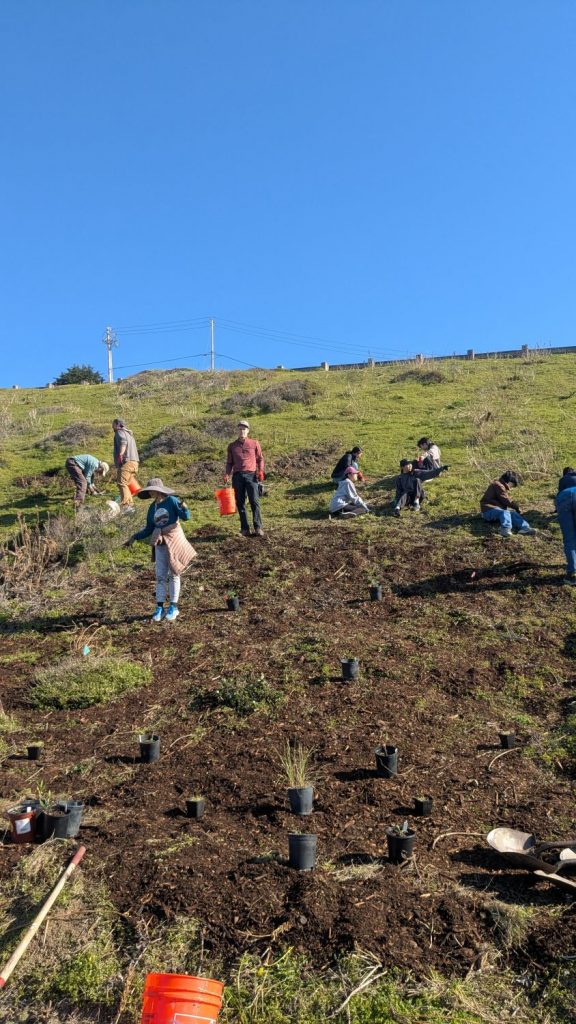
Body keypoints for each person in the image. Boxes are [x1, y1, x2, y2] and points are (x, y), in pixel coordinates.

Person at [126, 478, 196, 622]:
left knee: (174, 572)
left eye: (152, 490)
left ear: (159, 490)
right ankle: (159, 607)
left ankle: (173, 606)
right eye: (149, 491)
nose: (151, 493)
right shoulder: (153, 508)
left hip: (174, 539)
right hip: (160, 542)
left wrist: (185, 508)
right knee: (160, 575)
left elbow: (185, 517)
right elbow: (149, 528)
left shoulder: (172, 501)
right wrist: (135, 537)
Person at [224, 419, 265, 537]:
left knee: (254, 501)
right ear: (237, 430)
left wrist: (261, 471)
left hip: (251, 476)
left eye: (244, 429)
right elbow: (229, 462)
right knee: (240, 503)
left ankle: (258, 527)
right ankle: (244, 529)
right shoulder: (232, 446)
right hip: (237, 477)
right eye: (240, 429)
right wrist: (227, 474)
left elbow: (260, 458)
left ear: (248, 430)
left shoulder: (254, 443)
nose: (242, 431)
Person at [480, 471, 537, 538]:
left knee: (512, 513)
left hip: (496, 510)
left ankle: (525, 528)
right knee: (505, 512)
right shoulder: (497, 485)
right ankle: (505, 529)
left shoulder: (501, 486)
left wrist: (515, 508)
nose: (511, 487)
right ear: (509, 481)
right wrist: (515, 506)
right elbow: (505, 499)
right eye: (513, 485)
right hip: (488, 510)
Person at [112, 418, 140, 512]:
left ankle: (127, 506)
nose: (112, 426)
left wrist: (120, 454)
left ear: (117, 424)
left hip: (127, 462)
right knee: (126, 484)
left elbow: (123, 442)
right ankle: (130, 507)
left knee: (121, 483)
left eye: (113, 424)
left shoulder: (119, 432)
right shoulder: (129, 434)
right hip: (135, 462)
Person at [555, 467, 576, 584]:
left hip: (564, 498)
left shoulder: (563, 479)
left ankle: (573, 574)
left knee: (570, 539)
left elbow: (559, 495)